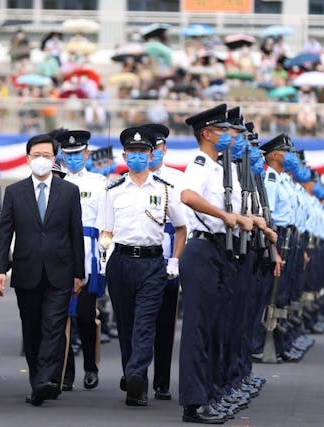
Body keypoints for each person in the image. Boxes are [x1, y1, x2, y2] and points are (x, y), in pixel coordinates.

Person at [178, 104, 263, 424]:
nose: (231, 135)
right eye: (224, 130)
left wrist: (256, 223)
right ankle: (193, 403)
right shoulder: (200, 163)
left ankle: (211, 394)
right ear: (207, 134)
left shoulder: (217, 168)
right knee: (198, 331)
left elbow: (234, 212)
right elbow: (187, 195)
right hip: (202, 251)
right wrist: (225, 216)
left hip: (219, 253)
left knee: (215, 329)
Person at [0, 133, 85, 406]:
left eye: (47, 156)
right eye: (37, 156)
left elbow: (75, 233)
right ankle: (38, 380)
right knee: (31, 329)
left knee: (54, 326)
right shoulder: (14, 192)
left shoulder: (69, 191)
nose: (41, 160)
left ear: (55, 159)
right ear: (28, 158)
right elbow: (5, 233)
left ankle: (46, 378)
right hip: (26, 270)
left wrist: (79, 272)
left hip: (61, 271)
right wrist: (0, 269)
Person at [99, 126, 187, 407]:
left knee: (145, 324)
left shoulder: (164, 190)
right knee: (125, 324)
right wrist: (104, 251)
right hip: (121, 262)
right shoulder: (112, 190)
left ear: (152, 155)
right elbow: (106, 230)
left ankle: (137, 377)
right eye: (132, 152)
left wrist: (173, 260)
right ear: (124, 155)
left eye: (143, 152)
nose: (138, 156)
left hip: (152, 263)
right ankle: (132, 371)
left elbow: (182, 227)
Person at [56, 129, 107, 391]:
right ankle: (65, 372)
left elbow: (104, 221)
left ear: (86, 154)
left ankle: (91, 366)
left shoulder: (99, 183)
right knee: (61, 316)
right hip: (62, 252)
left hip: (89, 251)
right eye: (68, 155)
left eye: (78, 154)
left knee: (86, 315)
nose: (73, 159)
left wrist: (101, 256)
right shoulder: (56, 181)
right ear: (61, 156)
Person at [142, 123, 186, 402]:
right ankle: (136, 375)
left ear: (164, 150)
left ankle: (161, 381)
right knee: (140, 321)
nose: (154, 154)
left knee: (165, 321)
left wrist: (177, 260)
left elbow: (186, 223)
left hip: (169, 252)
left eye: (158, 149)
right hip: (142, 251)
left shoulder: (178, 179)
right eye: (150, 149)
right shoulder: (131, 178)